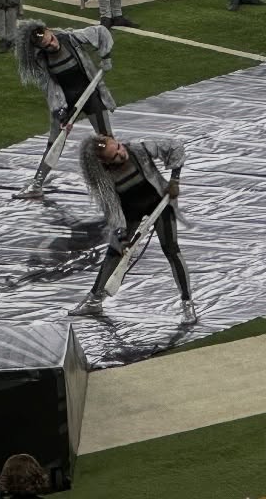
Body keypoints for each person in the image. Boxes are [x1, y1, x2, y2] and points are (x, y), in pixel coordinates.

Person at [68, 134, 194, 322]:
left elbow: (175, 147)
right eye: (116, 156)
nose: (122, 153)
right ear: (105, 163)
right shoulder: (103, 179)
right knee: (114, 253)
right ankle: (94, 301)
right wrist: (122, 238)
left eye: (119, 146)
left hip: (159, 202)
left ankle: (187, 304)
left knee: (171, 250)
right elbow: (113, 211)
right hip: (129, 211)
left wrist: (175, 180)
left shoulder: (139, 149)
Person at [15, 20, 116, 171]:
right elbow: (51, 90)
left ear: (49, 30)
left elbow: (100, 31)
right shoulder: (42, 62)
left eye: (51, 39)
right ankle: (37, 183)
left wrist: (106, 56)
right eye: (47, 46)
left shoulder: (71, 39)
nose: (53, 45)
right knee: (54, 144)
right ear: (39, 48)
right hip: (65, 104)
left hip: (90, 96)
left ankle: (114, 172)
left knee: (105, 139)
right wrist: (61, 114)